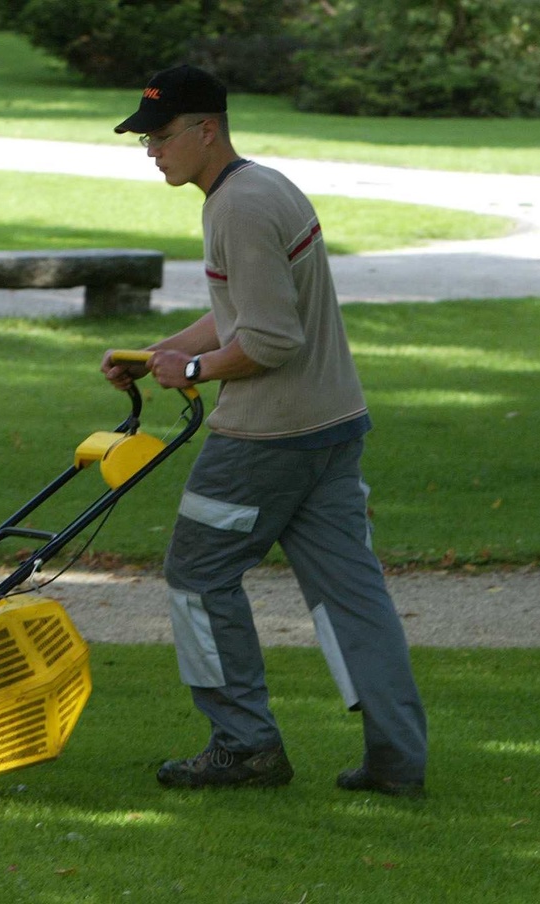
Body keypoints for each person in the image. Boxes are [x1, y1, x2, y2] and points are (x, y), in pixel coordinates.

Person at [101, 64, 427, 796]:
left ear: (205, 130)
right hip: (334, 426)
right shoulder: (262, 188)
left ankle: (244, 744)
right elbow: (244, 314)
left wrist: (191, 375)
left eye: (159, 136)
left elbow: (270, 342)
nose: (151, 150)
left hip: (265, 439)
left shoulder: (236, 209)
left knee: (196, 574)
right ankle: (397, 759)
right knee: (352, 596)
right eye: (143, 139)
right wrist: (165, 352)